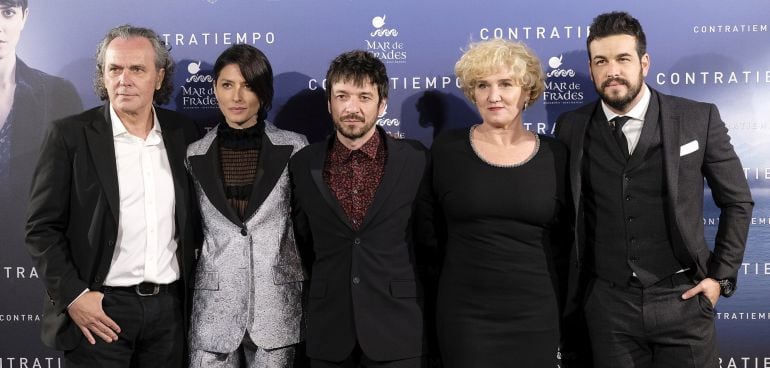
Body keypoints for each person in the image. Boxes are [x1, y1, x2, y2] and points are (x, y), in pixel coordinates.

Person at [555, 11, 753, 368]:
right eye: (601, 61)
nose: (612, 70)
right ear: (590, 68)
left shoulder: (698, 117)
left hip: (684, 299)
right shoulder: (571, 126)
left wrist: (719, 278)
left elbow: (738, 200)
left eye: (623, 59)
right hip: (608, 306)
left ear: (644, 63)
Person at [25, 25, 200, 367]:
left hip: (169, 314)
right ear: (103, 77)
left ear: (159, 77)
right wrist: (75, 297)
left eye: (137, 69)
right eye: (115, 69)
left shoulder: (184, 134)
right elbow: (41, 229)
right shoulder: (70, 136)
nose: (124, 79)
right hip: (100, 312)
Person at [417, 39, 570, 367]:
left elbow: (566, 242)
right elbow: (427, 235)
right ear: (472, 93)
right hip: (465, 316)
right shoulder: (447, 150)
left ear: (527, 91)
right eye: (482, 85)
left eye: (505, 84)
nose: (493, 95)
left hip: (536, 315)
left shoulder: (557, 155)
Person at [290, 50, 428, 368]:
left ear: (382, 104)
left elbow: (427, 243)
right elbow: (303, 243)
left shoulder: (415, 160)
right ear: (329, 103)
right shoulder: (303, 164)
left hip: (398, 329)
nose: (352, 108)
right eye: (342, 96)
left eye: (364, 96)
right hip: (329, 331)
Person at [186, 44, 307, 367]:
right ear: (214, 89)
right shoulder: (193, 153)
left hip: (277, 308)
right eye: (227, 85)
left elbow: (305, 226)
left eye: (248, 85)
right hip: (213, 312)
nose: (237, 97)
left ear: (264, 92)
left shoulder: (294, 147)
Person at [0, 0, 82, 272]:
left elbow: (78, 189)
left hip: (38, 264)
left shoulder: (58, 93)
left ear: (24, 17)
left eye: (7, 12)